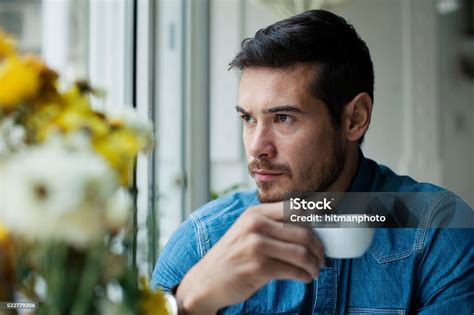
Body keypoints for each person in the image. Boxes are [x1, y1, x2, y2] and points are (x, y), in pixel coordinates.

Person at [151, 10, 473, 314]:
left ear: (354, 119)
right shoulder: (204, 240)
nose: (257, 147)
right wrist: (189, 303)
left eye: (283, 118)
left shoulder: (436, 231)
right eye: (248, 118)